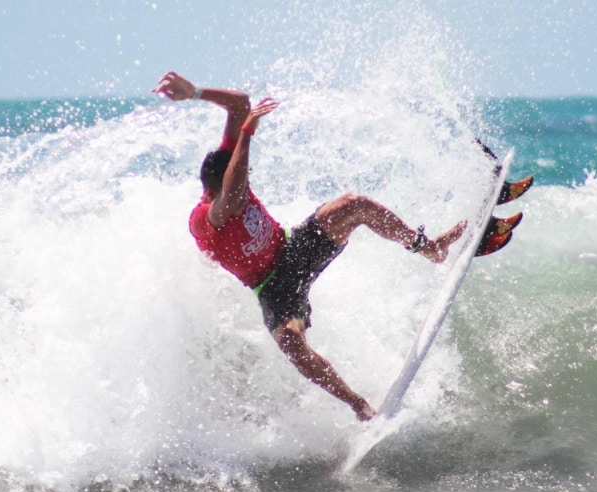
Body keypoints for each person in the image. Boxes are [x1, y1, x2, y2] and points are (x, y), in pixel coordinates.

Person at [152, 71, 467, 421]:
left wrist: (194, 92)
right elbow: (235, 191)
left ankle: (429, 248)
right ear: (213, 192)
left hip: (292, 249)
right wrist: (248, 132)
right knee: (291, 343)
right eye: (240, 187)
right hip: (272, 288)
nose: (246, 190)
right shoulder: (205, 219)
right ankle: (360, 406)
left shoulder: (223, 165)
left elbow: (240, 103)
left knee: (354, 204)